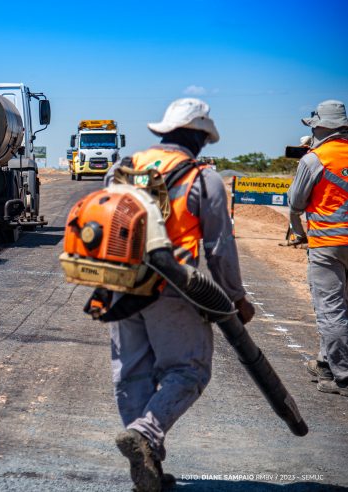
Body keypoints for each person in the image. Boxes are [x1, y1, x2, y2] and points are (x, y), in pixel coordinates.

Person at [103, 98, 255, 491]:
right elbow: (219, 248)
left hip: (118, 285)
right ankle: (146, 433)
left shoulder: (125, 169)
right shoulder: (205, 179)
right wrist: (235, 298)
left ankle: (146, 467)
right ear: (198, 136)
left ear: (165, 131)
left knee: (130, 374)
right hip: (171, 288)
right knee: (189, 370)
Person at [288, 100, 348, 397]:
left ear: (321, 126)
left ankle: (342, 377)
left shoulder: (314, 159)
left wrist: (299, 235)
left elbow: (296, 204)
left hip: (326, 244)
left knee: (331, 310)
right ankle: (325, 364)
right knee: (342, 309)